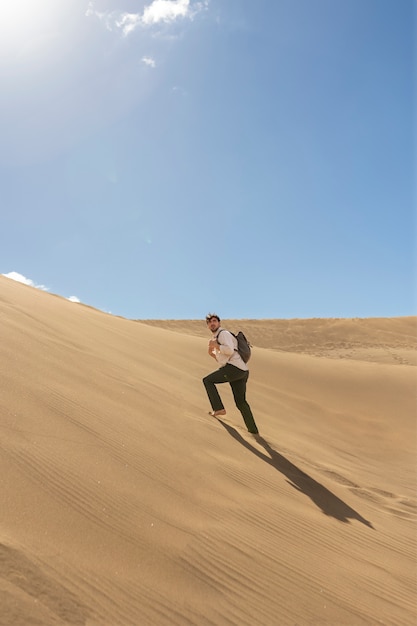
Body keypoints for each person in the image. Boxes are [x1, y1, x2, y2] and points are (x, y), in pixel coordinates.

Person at [202, 313, 259, 434]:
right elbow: (224, 358)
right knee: (241, 402)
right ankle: (253, 430)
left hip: (234, 369)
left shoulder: (223, 334)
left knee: (207, 380)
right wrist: (212, 353)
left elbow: (228, 350)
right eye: (209, 322)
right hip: (241, 371)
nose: (212, 323)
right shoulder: (218, 337)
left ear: (219, 323)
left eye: (214, 321)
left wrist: (215, 345)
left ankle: (219, 408)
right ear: (208, 326)